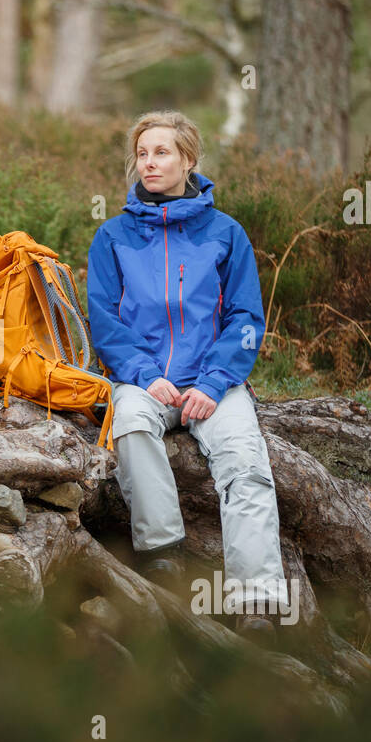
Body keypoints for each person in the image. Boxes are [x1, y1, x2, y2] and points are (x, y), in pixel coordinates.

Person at [86, 110, 289, 643]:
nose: (149, 163)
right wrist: (145, 375)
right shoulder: (113, 236)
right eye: (143, 153)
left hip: (213, 385)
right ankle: (163, 558)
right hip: (145, 383)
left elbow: (246, 320)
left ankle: (257, 602)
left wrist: (213, 382)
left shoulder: (226, 234)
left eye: (162, 152)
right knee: (128, 422)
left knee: (246, 462)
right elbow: (105, 322)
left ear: (189, 160)